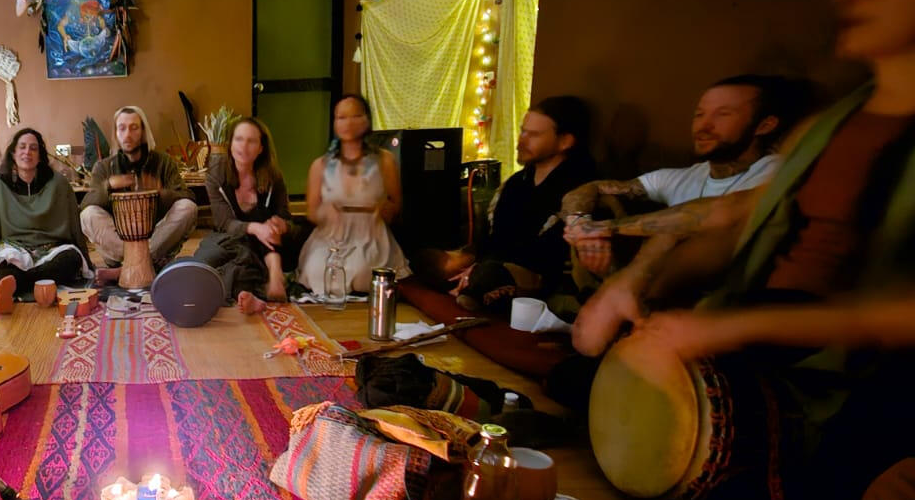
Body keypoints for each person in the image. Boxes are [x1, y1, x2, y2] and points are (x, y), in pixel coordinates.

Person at [572, 0, 915, 500]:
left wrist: (728, 328)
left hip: (862, 375)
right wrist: (636, 283)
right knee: (587, 387)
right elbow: (735, 220)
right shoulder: (833, 125)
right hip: (753, 326)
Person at [562, 75, 794, 279]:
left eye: (723, 114)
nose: (704, 125)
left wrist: (605, 228)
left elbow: (721, 212)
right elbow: (592, 188)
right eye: (699, 114)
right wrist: (579, 224)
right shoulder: (684, 176)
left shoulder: (778, 171)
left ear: (764, 125)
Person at [431, 97, 597, 310]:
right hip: (498, 261)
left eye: (533, 135)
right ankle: (471, 285)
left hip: (538, 275)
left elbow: (549, 253)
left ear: (565, 141)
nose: (521, 141)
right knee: (431, 261)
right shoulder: (517, 182)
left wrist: (485, 267)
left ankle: (475, 289)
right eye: (522, 131)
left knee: (489, 276)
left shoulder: (580, 187)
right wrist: (472, 261)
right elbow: (496, 237)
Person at [190, 116, 307, 310]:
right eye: (239, 139)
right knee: (205, 262)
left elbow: (285, 216)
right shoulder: (216, 173)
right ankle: (265, 285)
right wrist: (254, 228)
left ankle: (260, 288)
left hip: (267, 244)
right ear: (230, 144)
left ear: (261, 148)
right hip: (230, 238)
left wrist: (279, 224)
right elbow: (223, 222)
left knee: (243, 263)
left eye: (251, 141)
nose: (243, 147)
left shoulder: (273, 177)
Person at [298, 94, 410, 297]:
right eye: (341, 118)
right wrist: (325, 213)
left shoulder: (384, 160)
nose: (348, 123)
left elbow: (396, 204)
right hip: (331, 236)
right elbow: (312, 212)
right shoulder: (320, 165)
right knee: (318, 270)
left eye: (355, 116)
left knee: (361, 270)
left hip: (370, 234)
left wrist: (386, 208)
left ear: (367, 120)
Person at [79, 106, 199, 274]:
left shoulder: (164, 162)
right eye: (122, 128)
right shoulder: (104, 166)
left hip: (155, 241)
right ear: (116, 133)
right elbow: (86, 203)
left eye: (134, 128)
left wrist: (160, 192)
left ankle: (133, 264)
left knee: (188, 207)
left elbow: (187, 196)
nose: (127, 134)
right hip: (119, 246)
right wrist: (109, 186)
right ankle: (137, 261)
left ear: (143, 131)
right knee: (88, 214)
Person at [0, 127, 90, 303]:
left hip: (52, 250)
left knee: (71, 259)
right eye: (22, 147)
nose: (27, 152)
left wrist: (84, 256)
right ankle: (32, 281)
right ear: (13, 153)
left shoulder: (58, 183)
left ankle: (17, 283)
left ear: (40, 156)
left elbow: (74, 226)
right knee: (2, 266)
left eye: (33, 148)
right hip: (14, 248)